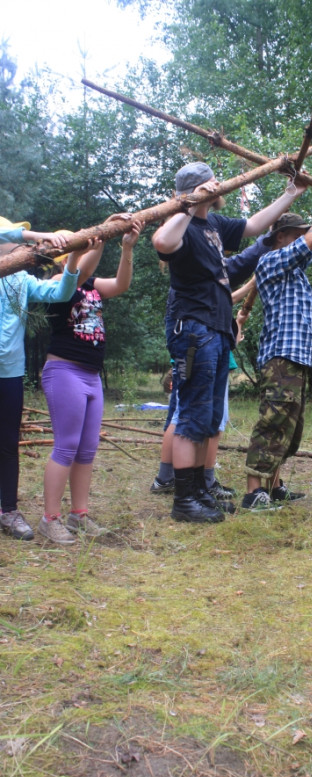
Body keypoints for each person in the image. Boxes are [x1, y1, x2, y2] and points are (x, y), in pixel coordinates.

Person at [152, 161, 306, 524]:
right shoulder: (183, 224)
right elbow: (162, 242)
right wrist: (189, 204)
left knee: (208, 417)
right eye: (212, 183)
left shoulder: (214, 224)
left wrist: (291, 193)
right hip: (194, 330)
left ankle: (199, 491)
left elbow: (253, 227)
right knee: (192, 415)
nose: (220, 186)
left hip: (217, 330)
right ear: (197, 190)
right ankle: (184, 499)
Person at [38, 218, 144, 545]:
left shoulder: (92, 284)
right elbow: (78, 273)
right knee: (66, 445)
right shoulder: (57, 282)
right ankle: (50, 519)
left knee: (87, 448)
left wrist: (126, 247)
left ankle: (79, 515)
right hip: (64, 372)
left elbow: (121, 284)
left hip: (90, 376)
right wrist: (99, 241)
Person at [150, 236, 270, 503]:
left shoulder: (198, 273)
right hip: (197, 353)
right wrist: (251, 284)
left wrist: (236, 323)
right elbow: (222, 297)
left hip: (199, 352)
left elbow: (221, 300)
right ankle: (195, 481)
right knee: (194, 418)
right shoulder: (195, 273)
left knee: (188, 415)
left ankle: (179, 479)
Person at [242, 179, 312, 510]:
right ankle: (254, 491)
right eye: (294, 234)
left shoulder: (294, 270)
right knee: (273, 421)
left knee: (288, 425)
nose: (301, 238)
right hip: (280, 357)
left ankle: (274, 486)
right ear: (280, 237)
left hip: (295, 359)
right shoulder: (270, 262)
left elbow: (310, 240)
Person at [0, 218, 78, 541]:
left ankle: (7, 510)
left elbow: (61, 293)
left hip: (10, 373)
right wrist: (44, 234)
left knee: (7, 443)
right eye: (18, 239)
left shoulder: (21, 280)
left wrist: (73, 255)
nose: (24, 246)